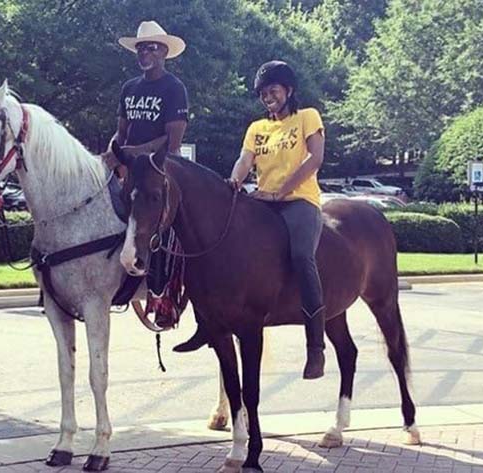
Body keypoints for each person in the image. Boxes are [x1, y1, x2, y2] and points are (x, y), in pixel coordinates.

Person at [177, 61, 327, 379]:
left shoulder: (306, 117)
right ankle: (207, 324)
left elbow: (315, 158)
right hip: (263, 202)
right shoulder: (257, 129)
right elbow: (245, 160)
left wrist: (281, 191)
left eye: (273, 90)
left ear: (289, 90)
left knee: (302, 256)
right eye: (262, 93)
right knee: (219, 253)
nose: (267, 97)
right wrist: (233, 181)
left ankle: (315, 344)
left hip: (300, 202)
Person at [102, 20, 189, 173]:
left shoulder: (174, 88)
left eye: (152, 47)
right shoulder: (129, 87)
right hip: (129, 167)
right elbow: (121, 132)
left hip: (160, 169)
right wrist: (112, 153)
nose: (144, 52)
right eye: (140, 48)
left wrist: (132, 152)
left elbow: (172, 143)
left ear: (165, 51)